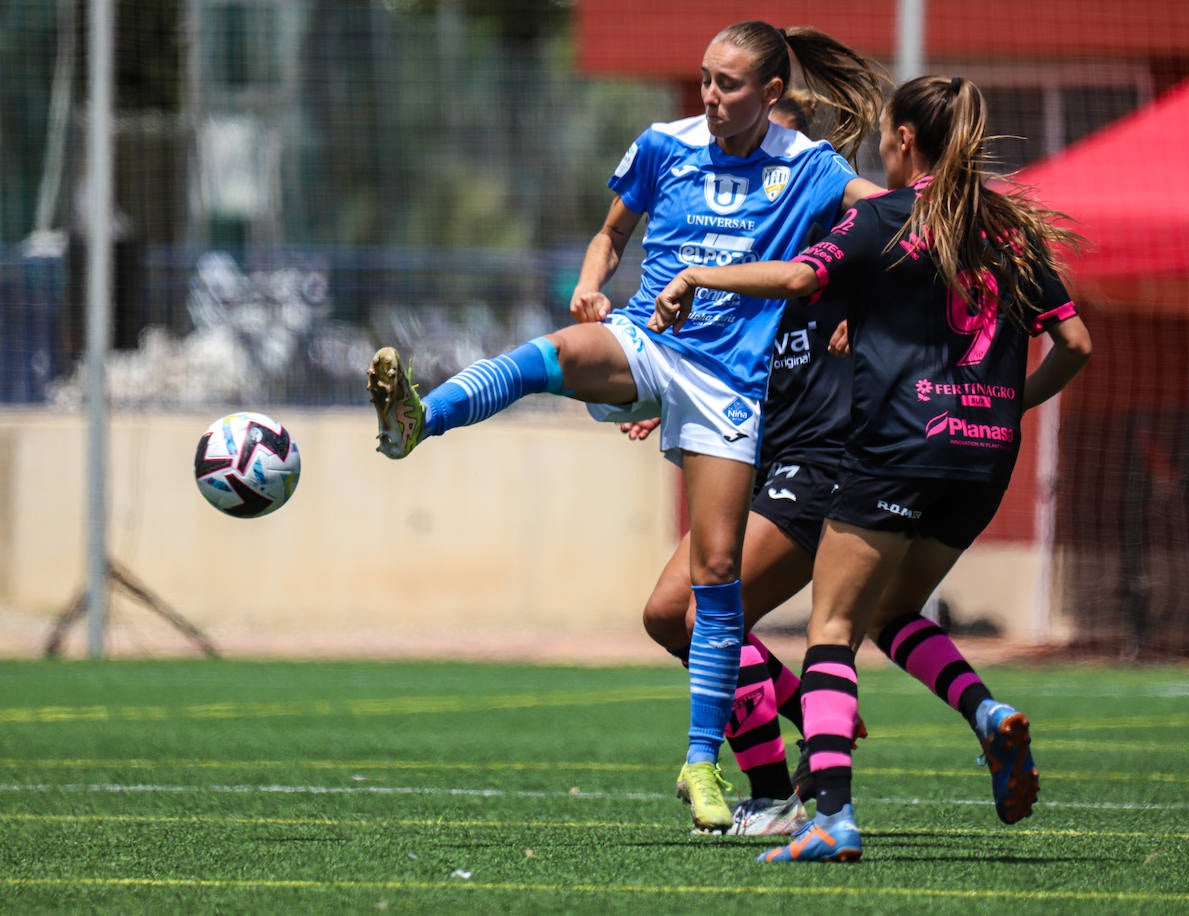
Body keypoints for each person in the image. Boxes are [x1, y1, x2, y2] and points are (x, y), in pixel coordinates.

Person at [365, 21, 887, 834]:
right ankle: (418, 421)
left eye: (731, 84)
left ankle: (702, 765)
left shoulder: (811, 169)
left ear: (772, 94)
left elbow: (891, 218)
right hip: (649, 339)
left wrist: (948, 216)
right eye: (706, 78)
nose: (711, 97)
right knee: (556, 352)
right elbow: (612, 233)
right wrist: (587, 282)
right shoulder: (662, 144)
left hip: (726, 387)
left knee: (714, 579)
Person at [650, 74, 1092, 862]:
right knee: (891, 616)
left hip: (895, 448)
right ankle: (987, 714)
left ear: (906, 142)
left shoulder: (884, 219)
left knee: (832, 632)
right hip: (982, 458)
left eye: (887, 137)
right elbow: (1078, 344)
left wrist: (696, 275)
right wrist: (1011, 403)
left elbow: (795, 278)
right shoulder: (1008, 230)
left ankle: (828, 815)